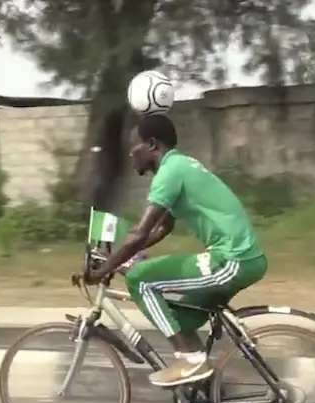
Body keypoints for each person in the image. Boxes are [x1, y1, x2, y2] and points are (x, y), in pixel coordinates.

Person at [84, 114, 268, 388]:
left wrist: (102, 271)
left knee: (140, 280)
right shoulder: (179, 166)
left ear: (152, 145)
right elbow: (161, 229)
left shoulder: (170, 173)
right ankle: (209, 396)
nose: (130, 155)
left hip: (231, 259)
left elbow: (138, 233)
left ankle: (190, 361)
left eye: (134, 147)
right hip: (243, 258)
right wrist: (124, 255)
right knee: (180, 318)